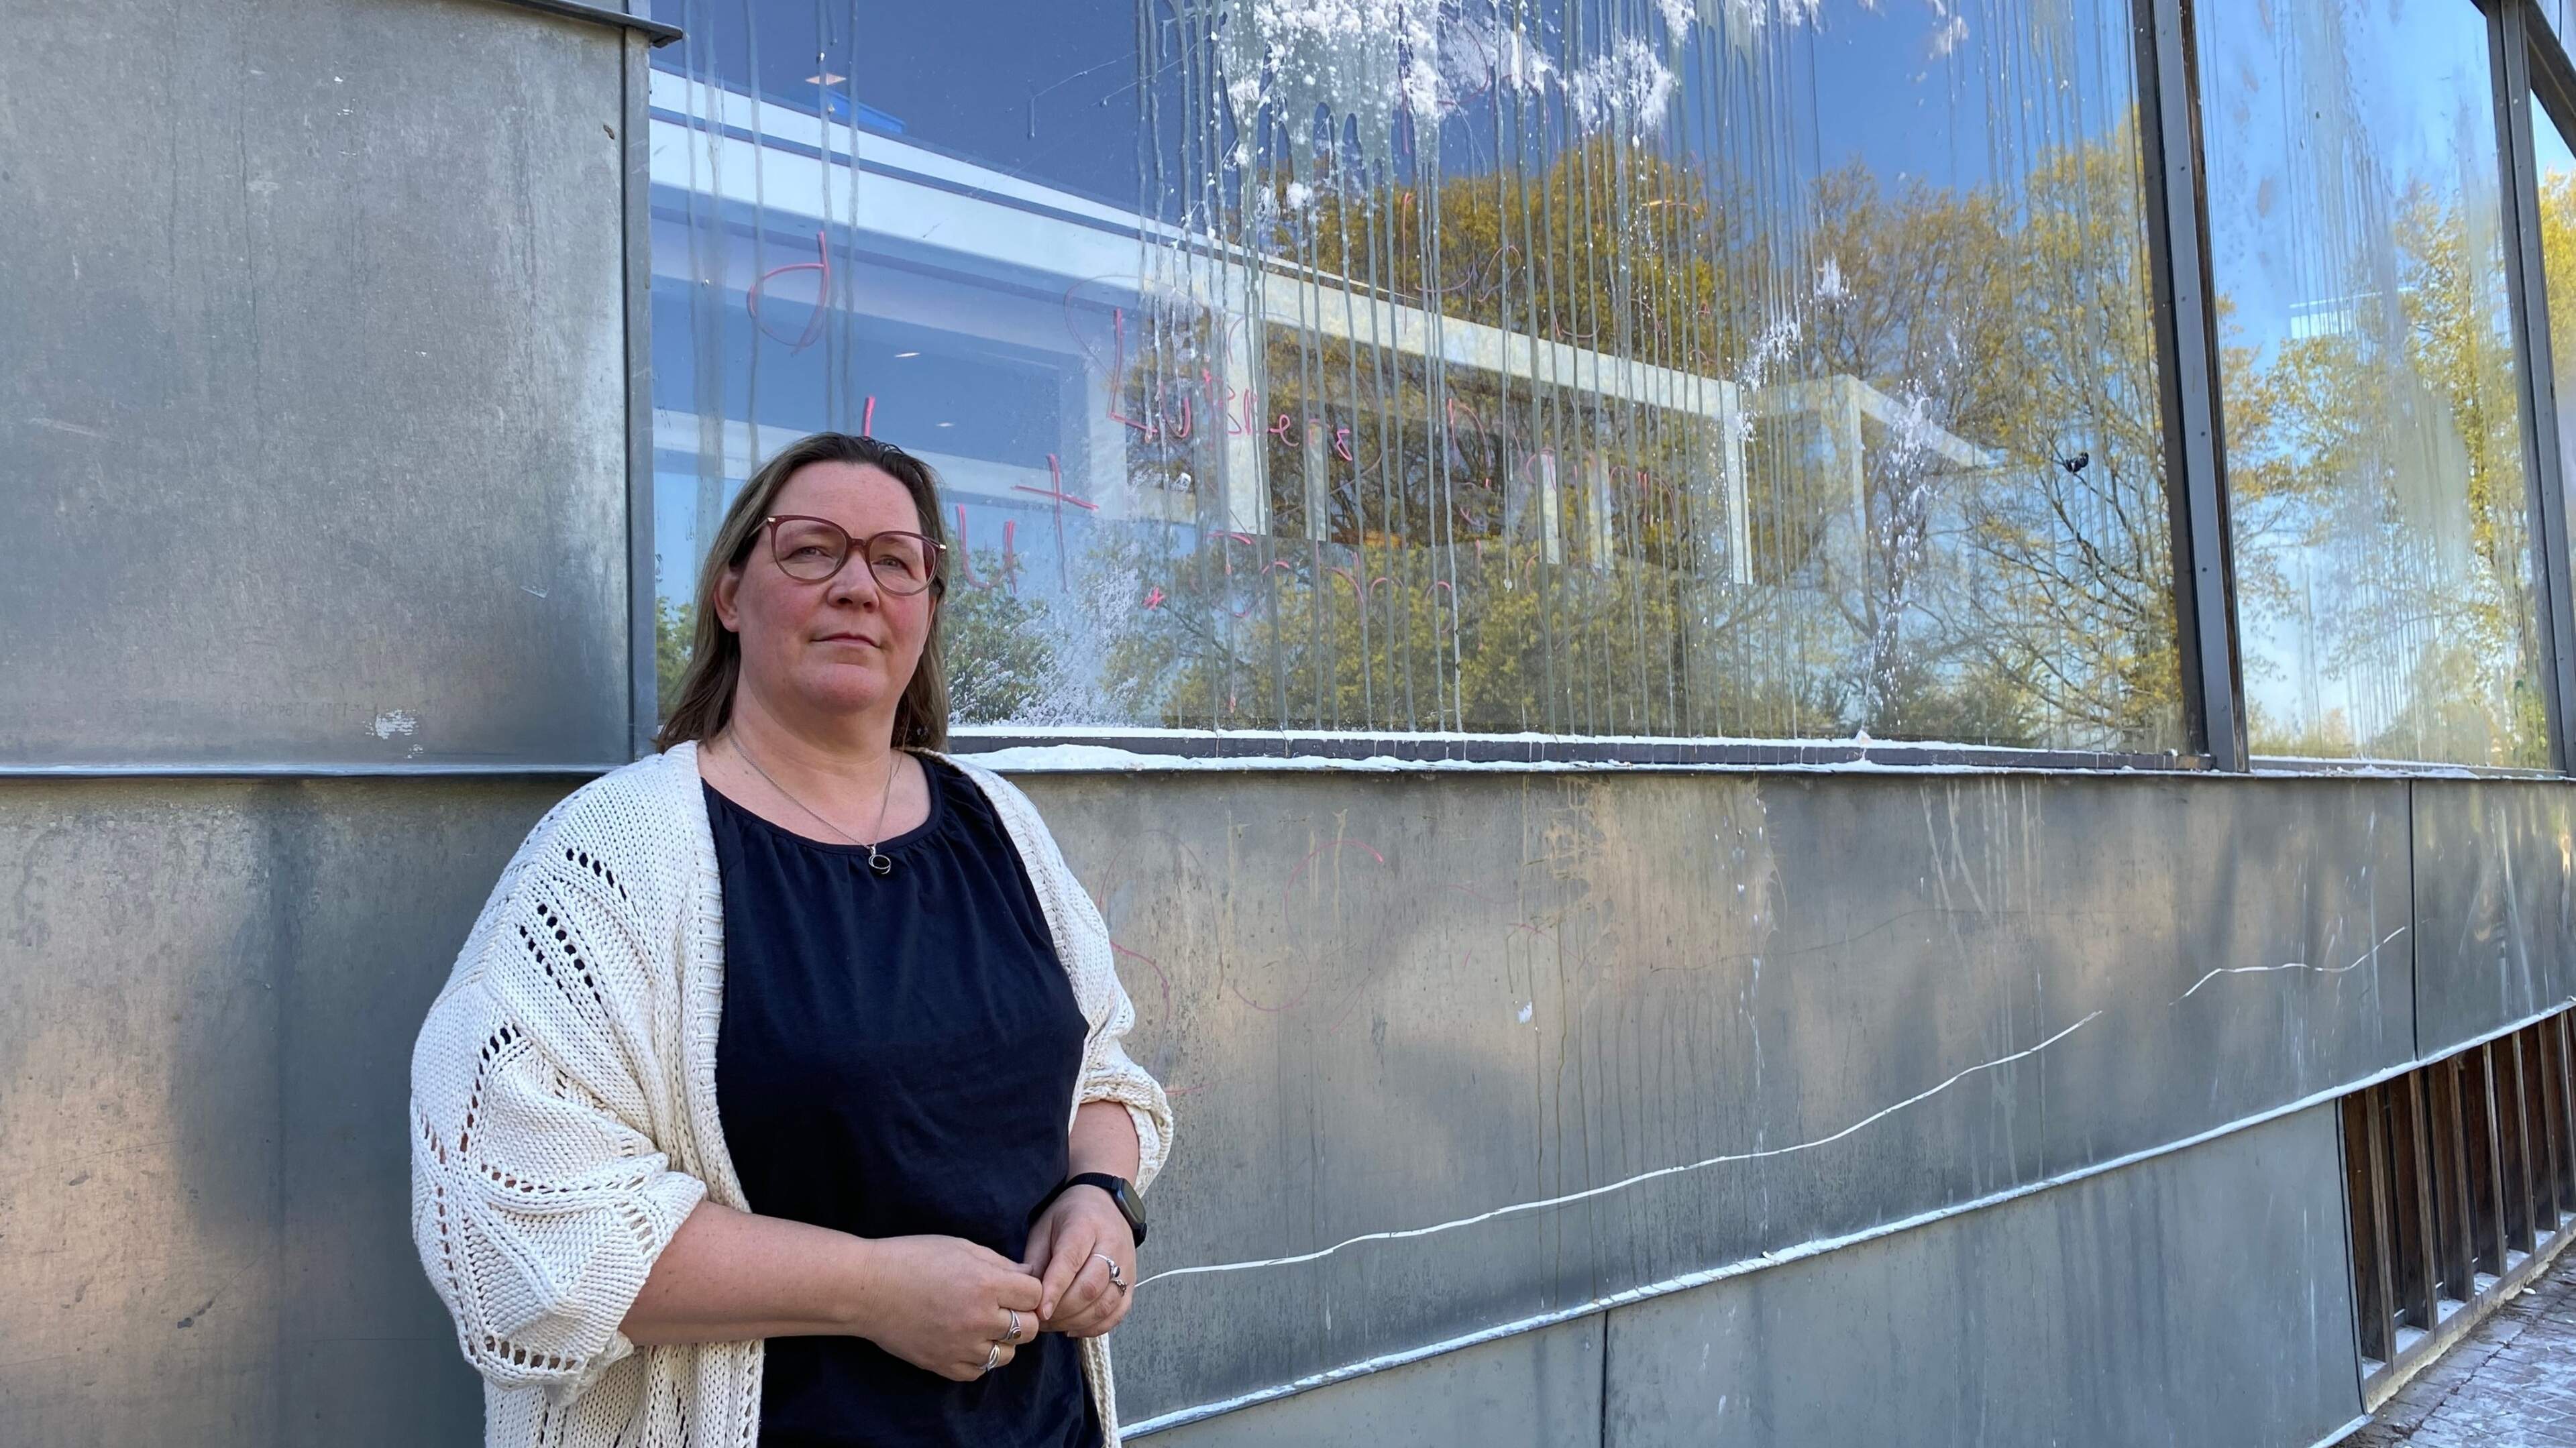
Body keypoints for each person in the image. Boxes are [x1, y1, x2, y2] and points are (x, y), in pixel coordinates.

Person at [409, 432, 1173, 1448]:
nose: (858, 586)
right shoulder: (614, 855)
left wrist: (1100, 1197)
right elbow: (520, 1222)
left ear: (929, 607)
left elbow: (1100, 1072)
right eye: (812, 549)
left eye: (897, 561)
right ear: (730, 593)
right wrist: (870, 1290)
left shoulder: (1001, 824)